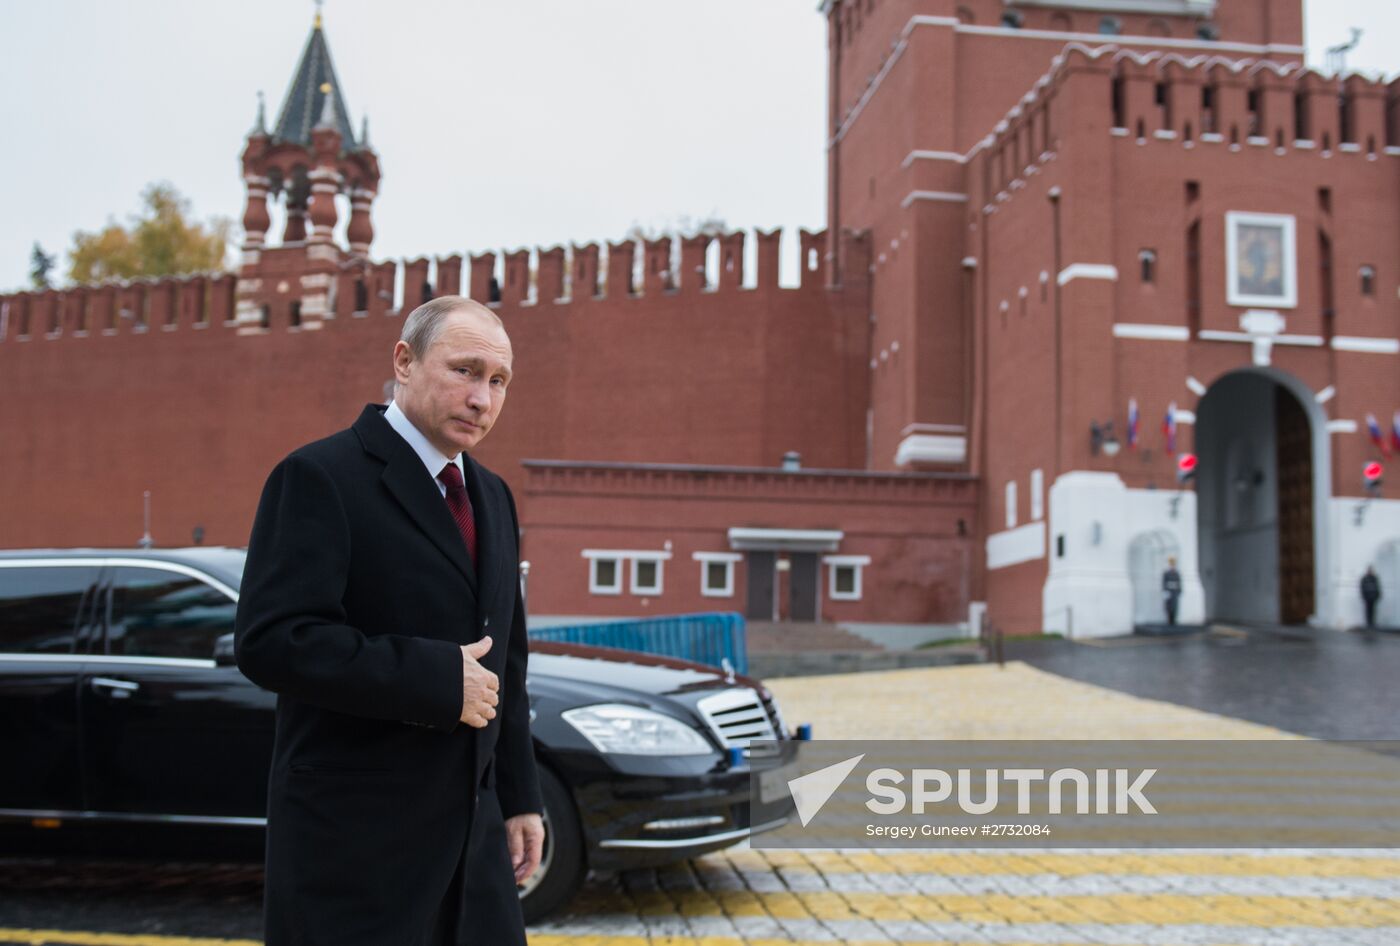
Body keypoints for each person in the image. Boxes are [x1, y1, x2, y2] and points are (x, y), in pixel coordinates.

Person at [234, 296, 543, 945]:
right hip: (356, 854)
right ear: (404, 361)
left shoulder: (492, 494)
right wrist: (433, 679)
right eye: (464, 371)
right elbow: (272, 641)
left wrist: (520, 798)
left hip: (475, 852)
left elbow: (507, 664)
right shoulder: (319, 476)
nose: (482, 398)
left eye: (498, 381)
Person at [1162, 556, 1182, 626]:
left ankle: (1173, 621)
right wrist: (1165, 591)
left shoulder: (1176, 573)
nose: (1172, 565)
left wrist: (1179, 591)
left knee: (1175, 607)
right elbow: (1164, 582)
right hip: (1169, 591)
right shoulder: (1166, 573)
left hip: (1175, 592)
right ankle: (1169, 620)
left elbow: (1179, 582)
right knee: (1168, 607)